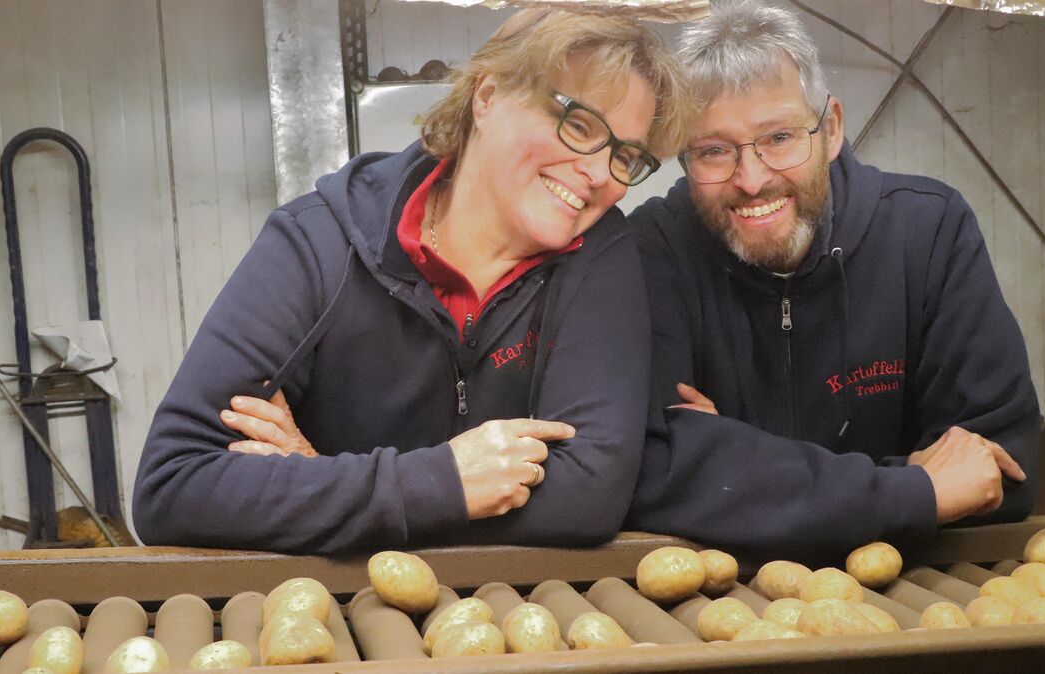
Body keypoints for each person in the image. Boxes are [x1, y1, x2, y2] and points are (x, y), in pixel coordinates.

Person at [133, 8, 693, 554]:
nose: (600, 173)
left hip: (519, 624)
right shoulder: (320, 243)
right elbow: (173, 484)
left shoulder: (599, 253)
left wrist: (321, 484)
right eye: (578, 125)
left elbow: (589, 496)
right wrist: (442, 484)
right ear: (488, 95)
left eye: (626, 156)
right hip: (342, 623)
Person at [624, 0, 1040, 564]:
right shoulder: (653, 250)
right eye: (714, 151)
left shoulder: (929, 230)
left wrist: (731, 461)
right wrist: (916, 489)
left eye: (779, 138)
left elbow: (1001, 473)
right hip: (722, 610)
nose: (752, 180)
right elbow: (647, 474)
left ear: (832, 128)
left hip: (907, 596)